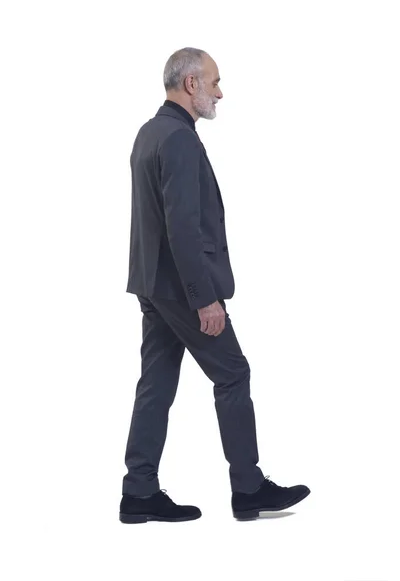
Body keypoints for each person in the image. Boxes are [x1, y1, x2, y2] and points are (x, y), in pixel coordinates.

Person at [119, 47, 310, 524]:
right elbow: (182, 226)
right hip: (184, 288)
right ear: (191, 85)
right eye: (214, 82)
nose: (220, 92)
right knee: (233, 374)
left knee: (156, 385)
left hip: (152, 284)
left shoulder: (149, 133)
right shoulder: (179, 140)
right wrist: (204, 297)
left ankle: (138, 491)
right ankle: (248, 488)